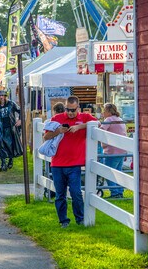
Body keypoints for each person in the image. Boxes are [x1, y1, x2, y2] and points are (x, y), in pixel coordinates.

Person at [45, 96, 97, 228]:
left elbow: (98, 124)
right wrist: (58, 131)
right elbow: (46, 137)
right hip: (57, 163)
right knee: (60, 194)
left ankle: (80, 219)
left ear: (78, 108)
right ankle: (63, 220)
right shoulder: (57, 119)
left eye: (73, 110)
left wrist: (79, 127)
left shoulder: (85, 117)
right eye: (68, 109)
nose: (70, 113)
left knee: (76, 192)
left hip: (74, 164)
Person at [100, 103, 127, 199]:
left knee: (108, 172)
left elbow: (100, 131)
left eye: (104, 111)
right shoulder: (120, 120)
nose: (103, 113)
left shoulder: (109, 120)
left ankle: (115, 192)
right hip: (122, 150)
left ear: (108, 111)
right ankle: (119, 191)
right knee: (118, 172)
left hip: (112, 151)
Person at [0, 91, 23, 171]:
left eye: (2, 95)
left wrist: (20, 120)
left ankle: (10, 159)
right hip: (0, 129)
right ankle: (3, 164)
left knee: (10, 145)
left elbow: (21, 111)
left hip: (10, 128)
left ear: (5, 96)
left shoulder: (11, 104)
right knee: (1, 145)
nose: (1, 97)